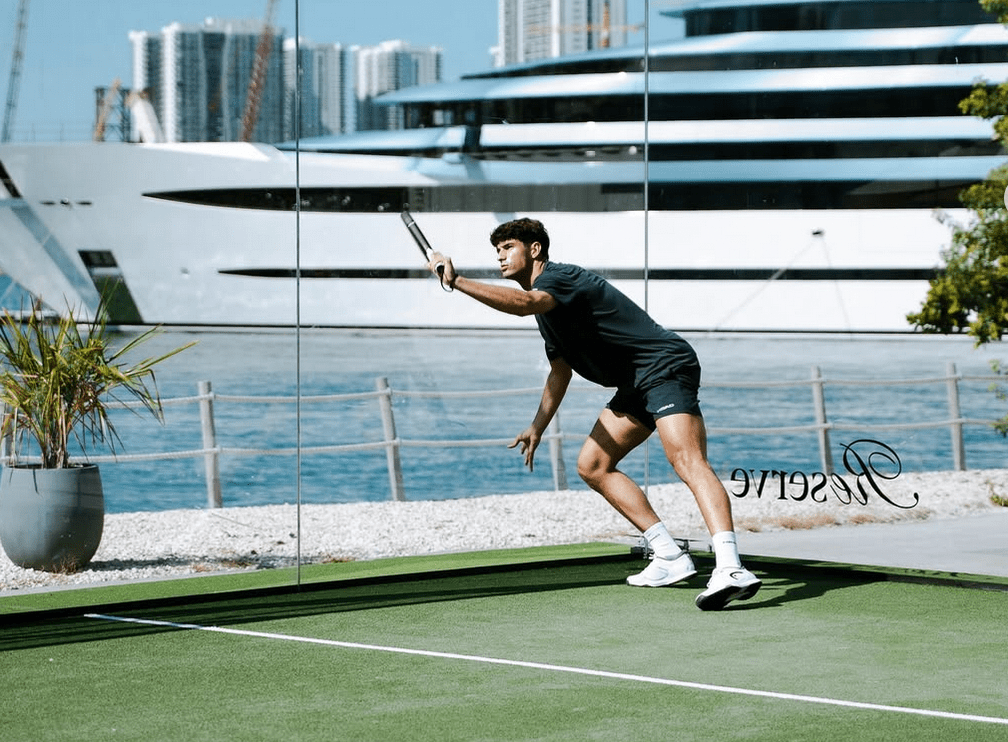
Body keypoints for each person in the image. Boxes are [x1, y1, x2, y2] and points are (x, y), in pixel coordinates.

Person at [427, 218, 761, 611]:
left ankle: (730, 566)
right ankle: (669, 555)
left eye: (508, 247)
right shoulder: (545, 311)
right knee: (593, 465)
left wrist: (457, 281)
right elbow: (560, 371)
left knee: (686, 459)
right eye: (497, 250)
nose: (500, 256)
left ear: (534, 250)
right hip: (636, 383)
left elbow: (523, 305)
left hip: (665, 366)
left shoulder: (559, 279)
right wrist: (537, 426)